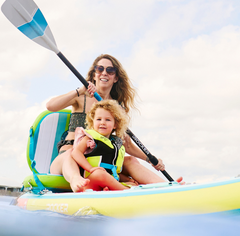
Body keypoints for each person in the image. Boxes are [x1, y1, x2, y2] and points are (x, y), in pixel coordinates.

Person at [47, 54, 180, 188]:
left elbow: (126, 144)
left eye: (110, 70)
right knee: (70, 154)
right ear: (94, 74)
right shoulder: (81, 97)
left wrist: (150, 159)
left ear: (116, 78)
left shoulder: (117, 108)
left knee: (131, 161)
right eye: (100, 69)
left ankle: (167, 186)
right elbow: (50, 106)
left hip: (98, 161)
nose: (104, 73)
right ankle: (76, 180)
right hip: (71, 157)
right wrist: (79, 90)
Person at [69, 100, 130, 192]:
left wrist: (128, 179)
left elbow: (113, 168)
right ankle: (126, 190)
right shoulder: (89, 138)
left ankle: (109, 189)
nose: (102, 122)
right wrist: (90, 168)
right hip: (89, 181)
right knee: (100, 174)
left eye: (108, 120)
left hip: (107, 180)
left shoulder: (115, 143)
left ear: (115, 125)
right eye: (98, 119)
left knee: (130, 180)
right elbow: (76, 153)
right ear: (93, 122)